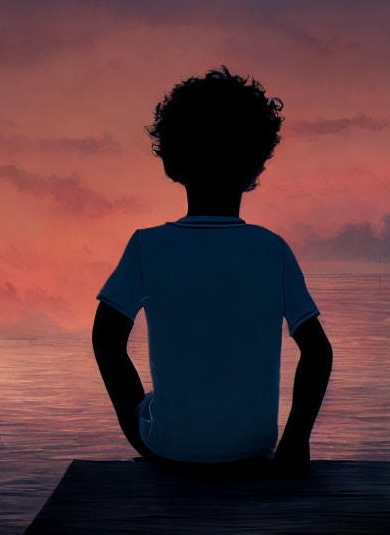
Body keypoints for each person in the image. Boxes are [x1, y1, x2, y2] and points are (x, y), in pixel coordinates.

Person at [92, 66, 333, 466]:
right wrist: (294, 442)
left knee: (152, 405)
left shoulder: (146, 246)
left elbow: (106, 338)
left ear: (171, 162)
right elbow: (318, 352)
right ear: (257, 165)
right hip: (253, 447)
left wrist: (136, 430)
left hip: (170, 446)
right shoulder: (273, 250)